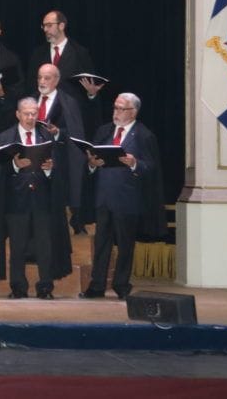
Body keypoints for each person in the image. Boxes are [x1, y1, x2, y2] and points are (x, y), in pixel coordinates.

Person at [81, 93, 161, 300]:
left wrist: (134, 163)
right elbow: (92, 160)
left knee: (125, 244)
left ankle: (121, 284)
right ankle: (97, 285)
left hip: (127, 198)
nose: (116, 112)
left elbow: (151, 168)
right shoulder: (104, 131)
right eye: (115, 107)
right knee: (101, 243)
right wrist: (91, 164)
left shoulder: (144, 135)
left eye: (121, 109)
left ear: (133, 112)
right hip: (103, 195)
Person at [0, 98, 72, 300]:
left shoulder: (46, 135)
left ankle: (45, 287)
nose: (30, 117)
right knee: (17, 247)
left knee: (45, 246)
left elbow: (59, 168)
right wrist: (15, 165)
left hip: (42, 200)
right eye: (26, 113)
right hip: (15, 200)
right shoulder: (5, 137)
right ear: (18, 114)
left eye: (34, 114)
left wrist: (49, 170)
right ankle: (18, 287)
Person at [32, 63, 86, 233]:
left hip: (59, 163)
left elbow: (75, 134)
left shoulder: (68, 103)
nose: (42, 81)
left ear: (56, 80)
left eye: (47, 78)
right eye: (40, 77)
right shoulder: (30, 100)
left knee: (56, 210)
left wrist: (58, 133)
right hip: (32, 161)